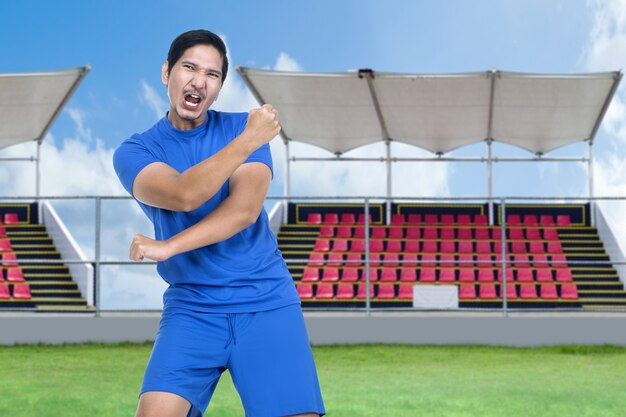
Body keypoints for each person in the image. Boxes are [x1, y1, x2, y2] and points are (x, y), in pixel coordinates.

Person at [113, 29, 325, 417]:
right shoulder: (135, 151)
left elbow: (244, 211)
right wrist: (248, 139)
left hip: (265, 301)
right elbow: (182, 193)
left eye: (212, 75)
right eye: (189, 67)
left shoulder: (240, 129)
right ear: (166, 72)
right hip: (192, 307)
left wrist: (168, 246)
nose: (199, 81)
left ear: (219, 87)